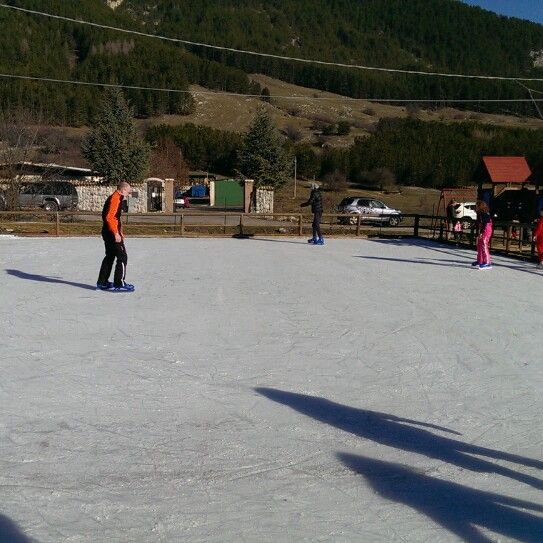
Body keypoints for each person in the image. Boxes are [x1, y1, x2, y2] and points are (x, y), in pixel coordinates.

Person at [96, 181, 135, 291]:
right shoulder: (115, 198)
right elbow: (110, 217)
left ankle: (102, 282)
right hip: (111, 233)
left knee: (110, 256)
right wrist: (116, 233)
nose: (128, 194)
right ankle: (119, 283)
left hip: (107, 232)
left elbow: (114, 218)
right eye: (128, 191)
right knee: (122, 256)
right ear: (122, 190)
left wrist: (119, 231)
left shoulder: (116, 198)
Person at [472, 200, 493, 270]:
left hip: (486, 231)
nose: (476, 207)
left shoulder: (484, 214)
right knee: (479, 245)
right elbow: (479, 224)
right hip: (483, 230)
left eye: (477, 206)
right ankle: (480, 260)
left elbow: (485, 224)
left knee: (484, 245)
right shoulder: (480, 214)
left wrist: (481, 232)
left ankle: (487, 262)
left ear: (480, 206)